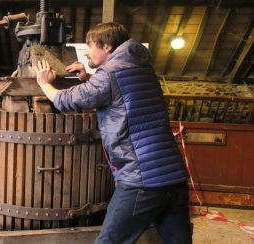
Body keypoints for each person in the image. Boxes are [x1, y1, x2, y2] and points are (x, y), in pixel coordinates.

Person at [35, 23, 191, 244]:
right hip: (174, 178)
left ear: (106, 47)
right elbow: (122, 97)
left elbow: (67, 100)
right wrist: (89, 79)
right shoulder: (141, 67)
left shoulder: (109, 74)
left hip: (142, 180)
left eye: (90, 46)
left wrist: (44, 84)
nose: (87, 52)